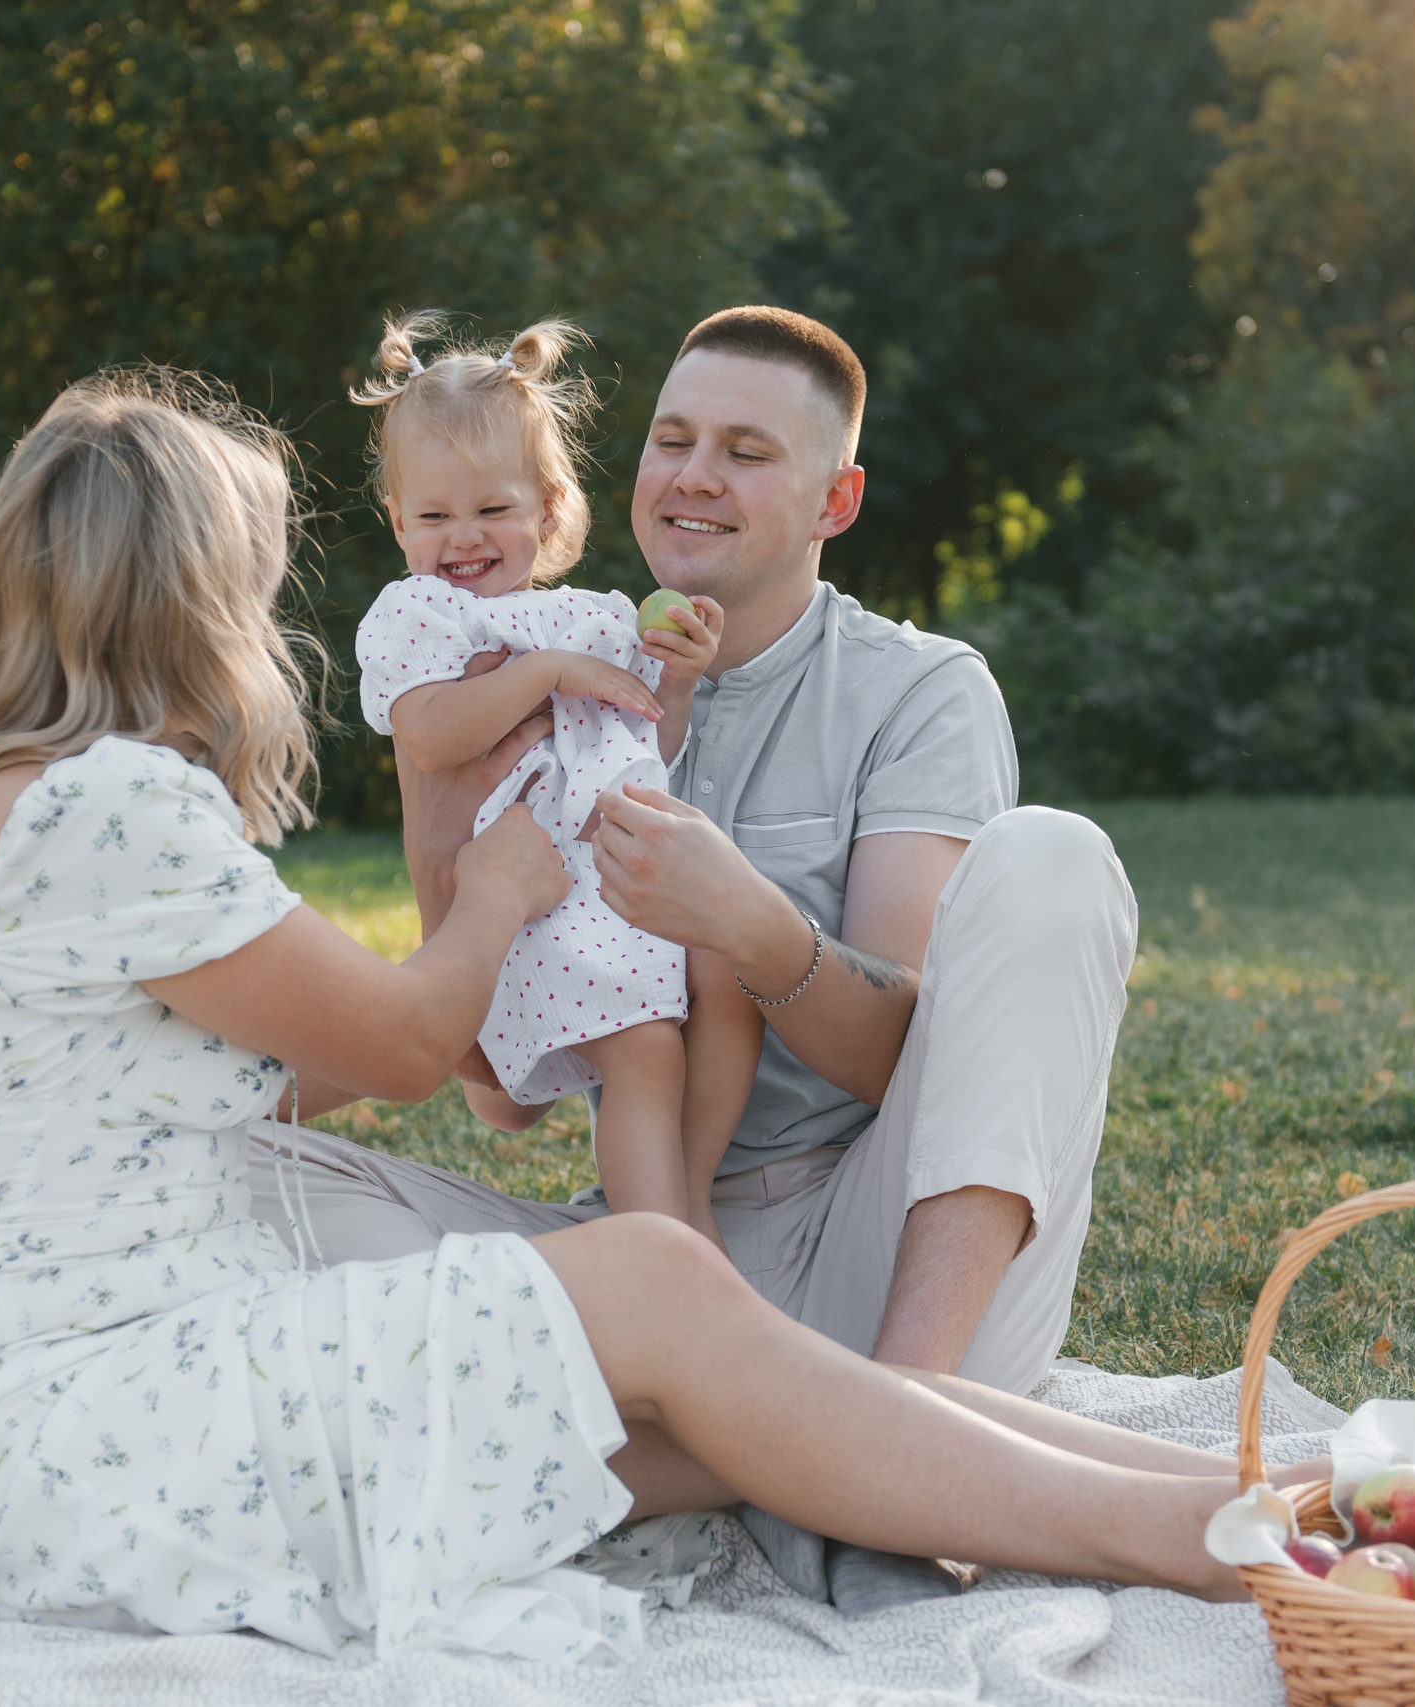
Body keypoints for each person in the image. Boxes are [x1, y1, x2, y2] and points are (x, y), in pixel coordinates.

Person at [0, 365, 1311, 1664]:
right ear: (189, 596)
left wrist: (693, 931)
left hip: (68, 1429)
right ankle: (1209, 1527)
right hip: (113, 1417)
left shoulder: (16, 801)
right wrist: (494, 892)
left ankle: (1236, 1502)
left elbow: (285, 1070)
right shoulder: (115, 803)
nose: (265, 619)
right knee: (660, 1299)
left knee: (670, 1392)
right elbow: (403, 1049)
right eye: (252, 580)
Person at [236, 307, 1140, 1612]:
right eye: (673, 439)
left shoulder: (920, 691)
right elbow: (501, 1087)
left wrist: (754, 924)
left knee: (1055, 856)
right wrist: (446, 849)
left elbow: (918, 1058)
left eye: (746, 450)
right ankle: (758, 1458)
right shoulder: (523, 661)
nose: (695, 474)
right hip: (665, 1245)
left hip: (875, 1250)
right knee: (242, 1174)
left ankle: (902, 1441)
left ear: (837, 497)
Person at [347, 312, 763, 1250]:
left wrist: (681, 674)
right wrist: (542, 675)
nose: (463, 538)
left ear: (548, 507)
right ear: (398, 523)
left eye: (492, 510)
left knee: (730, 981)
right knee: (647, 1056)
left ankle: (684, 1209)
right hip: (539, 888)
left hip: (625, 873)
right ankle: (666, 1256)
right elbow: (429, 731)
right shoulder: (422, 614)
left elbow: (647, 735)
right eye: (433, 515)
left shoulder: (584, 615)